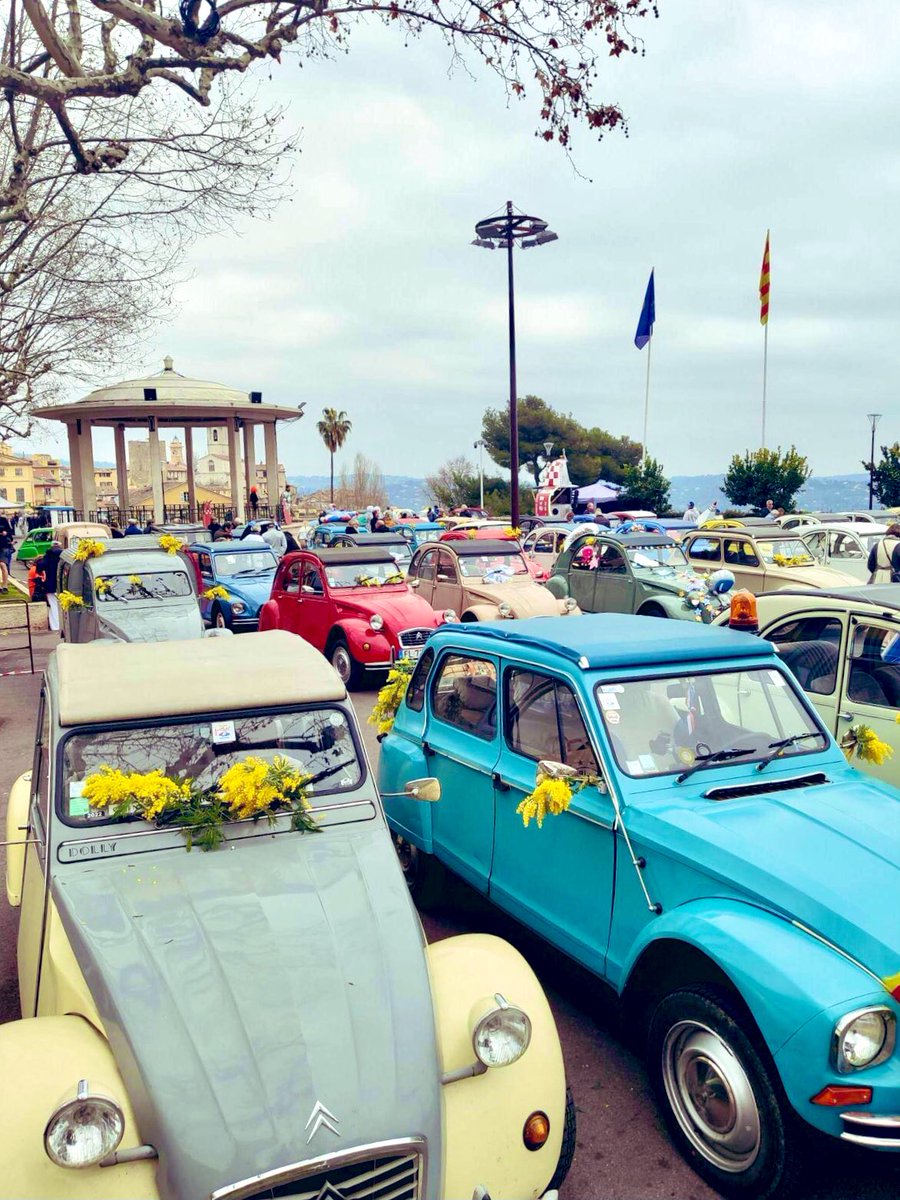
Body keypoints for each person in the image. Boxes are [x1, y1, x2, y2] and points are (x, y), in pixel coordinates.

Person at [37, 540, 63, 631]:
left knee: (53, 606)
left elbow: (39, 567)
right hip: (62, 586)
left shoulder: (47, 556)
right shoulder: (64, 556)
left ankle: (55, 627)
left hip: (50, 586)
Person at [0, 518, 12, 592]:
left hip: (3, 546)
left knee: (3, 565)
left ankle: (5, 586)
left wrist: (6, 533)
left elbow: (10, 532)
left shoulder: (3, 520)